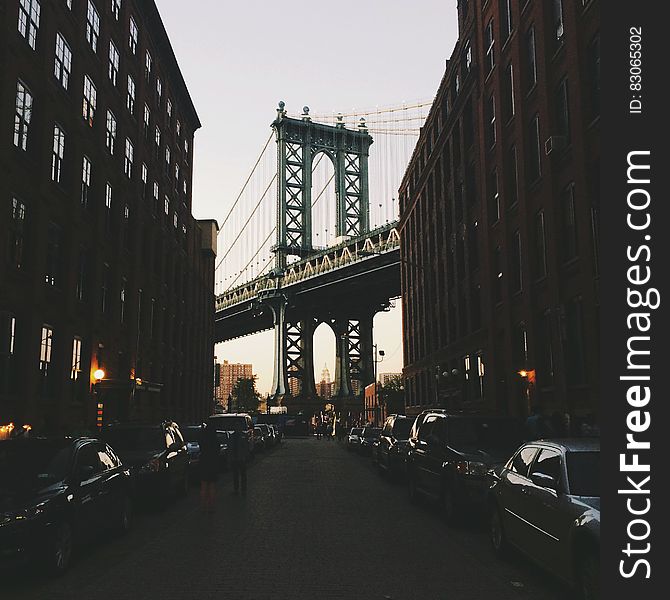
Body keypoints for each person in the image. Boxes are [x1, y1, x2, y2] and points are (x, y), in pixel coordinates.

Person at [198, 421, 220, 512]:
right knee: (212, 486)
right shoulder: (215, 440)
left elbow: (201, 447)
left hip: (204, 462)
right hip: (212, 463)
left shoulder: (202, 439)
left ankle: (203, 506)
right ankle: (211, 506)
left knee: (203, 486)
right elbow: (217, 451)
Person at [230, 426, 249, 494]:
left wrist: (246, 456)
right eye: (236, 426)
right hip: (234, 458)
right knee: (235, 475)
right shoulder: (232, 436)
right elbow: (230, 447)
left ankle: (243, 489)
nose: (237, 428)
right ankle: (236, 489)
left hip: (241, 458)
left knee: (243, 475)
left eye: (238, 426)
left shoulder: (243, 435)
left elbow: (246, 446)